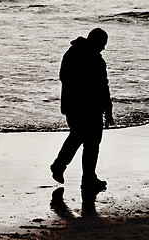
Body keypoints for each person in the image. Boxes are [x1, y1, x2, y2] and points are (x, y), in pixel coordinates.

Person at [50, 28, 114, 191]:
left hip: (74, 105)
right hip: (87, 107)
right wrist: (108, 109)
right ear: (96, 41)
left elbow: (63, 77)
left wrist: (106, 109)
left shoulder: (72, 53)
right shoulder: (94, 60)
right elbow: (102, 87)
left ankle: (68, 169)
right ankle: (79, 174)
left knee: (80, 137)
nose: (103, 48)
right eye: (102, 44)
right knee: (88, 141)